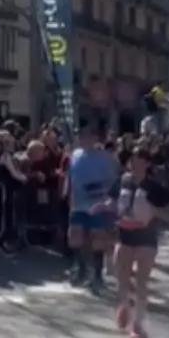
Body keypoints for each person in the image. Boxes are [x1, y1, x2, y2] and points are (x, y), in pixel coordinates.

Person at [113, 144, 169, 338]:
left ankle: (138, 323)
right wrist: (103, 207)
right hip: (124, 234)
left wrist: (154, 211)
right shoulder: (123, 182)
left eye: (140, 161)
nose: (135, 164)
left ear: (147, 164)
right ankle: (123, 306)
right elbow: (112, 201)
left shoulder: (154, 187)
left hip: (145, 235)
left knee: (141, 282)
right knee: (122, 278)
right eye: (132, 161)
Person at [64, 124, 120, 292]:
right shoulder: (75, 155)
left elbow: (113, 181)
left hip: (98, 203)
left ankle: (96, 274)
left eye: (88, 136)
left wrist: (104, 195)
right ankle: (79, 267)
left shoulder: (106, 158)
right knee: (74, 235)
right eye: (82, 136)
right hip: (78, 203)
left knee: (98, 239)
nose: (83, 139)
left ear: (96, 139)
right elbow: (71, 176)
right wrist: (68, 193)